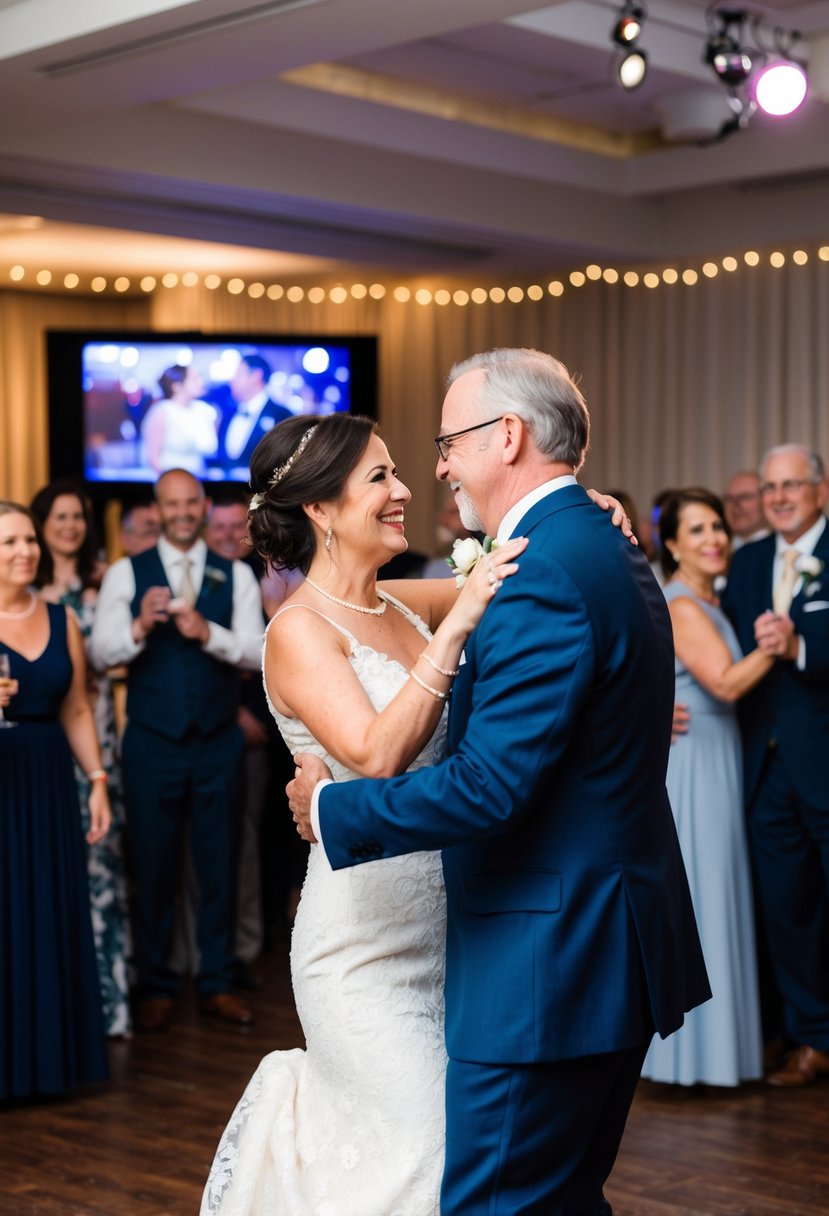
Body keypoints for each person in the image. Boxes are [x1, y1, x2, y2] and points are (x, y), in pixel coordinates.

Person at [285, 348, 710, 1216]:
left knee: (498, 1204)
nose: (433, 469)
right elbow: (374, 608)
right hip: (588, 943)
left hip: (545, 965)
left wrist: (331, 810)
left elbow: (488, 789)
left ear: (506, 435)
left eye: (445, 444)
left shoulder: (543, 569)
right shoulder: (583, 546)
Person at [89, 469, 264, 1031]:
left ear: (204, 505)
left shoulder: (234, 574)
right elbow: (100, 652)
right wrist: (139, 626)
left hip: (217, 742)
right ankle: (157, 983)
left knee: (219, 864)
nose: (184, 512)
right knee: (154, 865)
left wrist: (205, 632)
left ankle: (215, 980)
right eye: (173, 504)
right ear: (159, 509)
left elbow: (259, 653)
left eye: (192, 502)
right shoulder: (125, 573)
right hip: (152, 744)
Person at [641, 488, 773, 1087]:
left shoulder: (707, 602)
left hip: (717, 754)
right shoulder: (685, 605)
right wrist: (780, 641)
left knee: (718, 893)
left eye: (717, 526)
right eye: (696, 530)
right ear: (671, 544)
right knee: (704, 893)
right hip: (693, 763)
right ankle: (692, 1061)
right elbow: (723, 683)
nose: (714, 538)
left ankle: (720, 1057)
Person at [721, 443, 829, 1087]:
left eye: (793, 484)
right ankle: (811, 1037)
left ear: (819, 490)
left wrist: (802, 647)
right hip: (763, 769)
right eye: (771, 487)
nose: (780, 496)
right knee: (787, 910)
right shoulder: (750, 559)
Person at [0, 501, 111, 1099]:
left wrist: (95, 780)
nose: (25, 551)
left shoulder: (61, 617)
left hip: (45, 780)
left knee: (43, 909)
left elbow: (74, 706)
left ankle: (44, 1066)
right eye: (9, 542)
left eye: (27, 541)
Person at [31, 480, 132, 1038]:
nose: (70, 526)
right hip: (39, 736)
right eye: (60, 517)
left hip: (93, 729)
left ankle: (108, 1004)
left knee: (100, 861)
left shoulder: (103, 583)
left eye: (78, 517)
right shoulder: (23, 587)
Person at [218, 353, 292, 472]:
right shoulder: (228, 414)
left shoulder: (282, 416)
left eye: (238, 374)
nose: (231, 380)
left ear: (256, 376)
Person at [141, 364, 219, 477]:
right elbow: (153, 458)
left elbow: (210, 449)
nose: (201, 382)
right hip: (170, 481)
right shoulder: (162, 411)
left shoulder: (204, 410)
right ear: (176, 386)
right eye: (194, 379)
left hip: (201, 479)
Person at [723, 469, 770, 550]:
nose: (735, 504)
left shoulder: (780, 549)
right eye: (729, 498)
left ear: (766, 500)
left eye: (744, 497)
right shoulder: (720, 549)